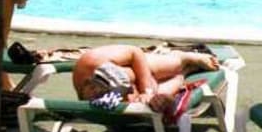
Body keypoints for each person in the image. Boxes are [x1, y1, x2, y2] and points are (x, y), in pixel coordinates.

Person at [72, 44, 219, 112]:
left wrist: (146, 90)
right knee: (160, 96)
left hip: (142, 66)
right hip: (133, 90)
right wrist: (151, 97)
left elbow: (135, 51)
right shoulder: (106, 99)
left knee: (173, 65)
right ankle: (185, 73)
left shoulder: (94, 59)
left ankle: (186, 57)